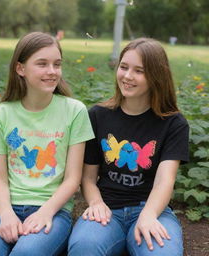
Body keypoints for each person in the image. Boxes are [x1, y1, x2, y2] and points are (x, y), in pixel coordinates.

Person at [0, 32, 94, 256]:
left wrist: (46, 212)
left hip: (54, 210)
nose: (52, 71)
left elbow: (73, 179)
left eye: (57, 64)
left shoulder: (74, 111)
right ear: (20, 69)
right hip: (6, 207)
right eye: (42, 64)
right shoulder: (1, 114)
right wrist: (5, 215)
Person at [68, 38, 189, 256]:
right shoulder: (98, 115)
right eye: (124, 67)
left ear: (156, 76)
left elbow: (165, 180)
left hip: (152, 208)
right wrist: (95, 203)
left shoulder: (173, 123)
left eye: (139, 71)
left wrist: (149, 215)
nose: (127, 76)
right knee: (84, 247)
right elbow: (87, 178)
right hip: (106, 209)